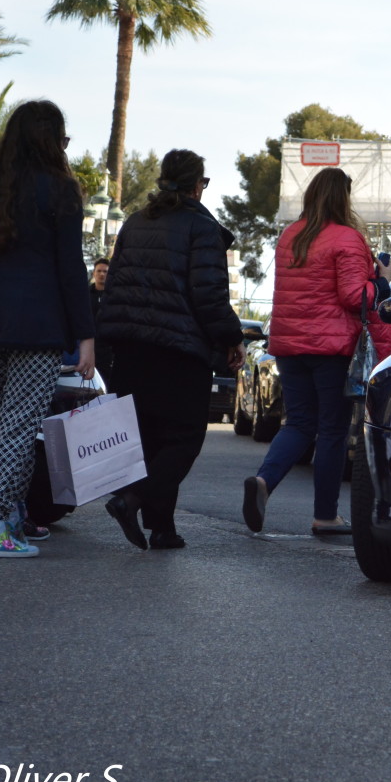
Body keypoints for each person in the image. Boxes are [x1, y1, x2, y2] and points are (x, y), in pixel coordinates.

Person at [0, 99, 96, 558]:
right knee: (19, 427)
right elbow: (71, 269)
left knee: (10, 424)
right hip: (37, 330)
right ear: (53, 141)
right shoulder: (60, 190)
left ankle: (8, 516)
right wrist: (86, 337)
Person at [98, 149, 244, 550]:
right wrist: (233, 338)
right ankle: (131, 502)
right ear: (198, 184)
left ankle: (162, 527)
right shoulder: (201, 228)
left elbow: (113, 287)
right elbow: (209, 296)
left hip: (131, 349)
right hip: (179, 352)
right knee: (183, 438)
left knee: (149, 439)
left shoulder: (134, 222)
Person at [241, 167, 391, 536]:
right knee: (331, 430)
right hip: (331, 349)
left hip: (289, 346)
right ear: (343, 198)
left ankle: (264, 482)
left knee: (298, 423)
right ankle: (325, 515)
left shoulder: (290, 236)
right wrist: (382, 282)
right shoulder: (347, 239)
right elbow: (353, 296)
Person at [89, 257, 113, 382]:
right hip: (90, 345)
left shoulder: (114, 296)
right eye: (99, 271)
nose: (102, 274)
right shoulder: (86, 295)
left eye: (105, 271)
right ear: (94, 273)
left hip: (108, 347)